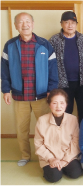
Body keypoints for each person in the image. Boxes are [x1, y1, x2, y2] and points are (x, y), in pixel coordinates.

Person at [0, 12, 58, 166]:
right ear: (15, 25)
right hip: (20, 96)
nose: (24, 24)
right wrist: (6, 90)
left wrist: (51, 91)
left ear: (33, 23)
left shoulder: (44, 44)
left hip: (42, 96)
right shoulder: (10, 45)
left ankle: (48, 155)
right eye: (20, 22)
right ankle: (25, 155)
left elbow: (53, 70)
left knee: (46, 128)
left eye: (27, 21)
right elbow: (4, 70)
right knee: (21, 129)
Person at [49, 11, 83, 124]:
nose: (70, 25)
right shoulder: (54, 40)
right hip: (62, 83)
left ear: (76, 24)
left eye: (73, 23)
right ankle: (66, 139)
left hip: (82, 82)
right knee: (65, 112)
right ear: (61, 24)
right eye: (66, 22)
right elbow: (49, 63)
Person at [34, 89, 82, 183]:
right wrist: (51, 159)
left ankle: (61, 167)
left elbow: (76, 141)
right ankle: (56, 169)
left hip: (68, 156)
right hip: (49, 158)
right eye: (54, 103)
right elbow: (38, 144)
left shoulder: (73, 119)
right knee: (54, 177)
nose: (58, 106)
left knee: (75, 173)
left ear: (66, 104)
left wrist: (65, 160)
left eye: (62, 103)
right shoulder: (41, 120)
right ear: (49, 104)